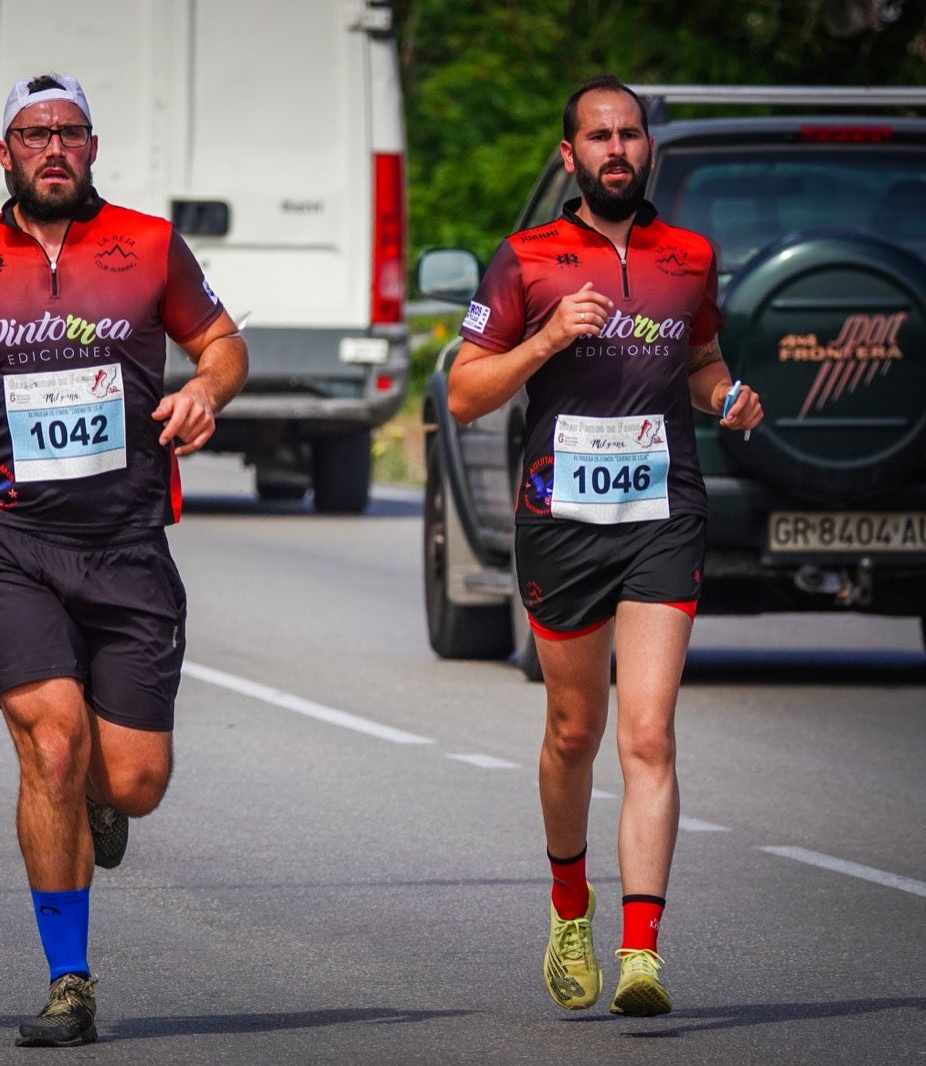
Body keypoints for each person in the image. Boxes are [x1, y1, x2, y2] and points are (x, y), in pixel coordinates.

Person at [0, 74, 247, 1047]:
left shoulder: (148, 247)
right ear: (2, 153)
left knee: (130, 781)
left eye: (70, 132)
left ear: (92, 148)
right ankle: (69, 979)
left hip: (127, 542)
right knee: (51, 742)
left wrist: (208, 389)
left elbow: (220, 343)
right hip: (11, 540)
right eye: (33, 133)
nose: (53, 147)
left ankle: (102, 799)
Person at [446, 74, 763, 1018]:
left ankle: (640, 952)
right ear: (569, 154)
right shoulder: (526, 259)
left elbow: (701, 362)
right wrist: (543, 342)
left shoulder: (690, 256)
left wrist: (726, 398)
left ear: (648, 149)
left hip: (664, 513)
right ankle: (569, 903)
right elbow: (465, 392)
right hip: (563, 521)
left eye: (630, 134)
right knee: (573, 733)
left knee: (650, 733)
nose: (616, 149)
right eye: (598, 136)